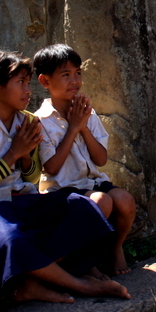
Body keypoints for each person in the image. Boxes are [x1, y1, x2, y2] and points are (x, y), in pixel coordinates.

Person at [0, 49, 131, 303]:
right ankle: (79, 284)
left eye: (27, 83)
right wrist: (13, 154)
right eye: (20, 83)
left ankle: (33, 283)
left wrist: (23, 157)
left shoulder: (27, 122)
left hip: (24, 199)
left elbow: (32, 178)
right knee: (13, 239)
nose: (28, 90)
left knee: (86, 209)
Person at [33, 44, 137, 276]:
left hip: (92, 182)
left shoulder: (86, 112)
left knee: (125, 200)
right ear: (45, 81)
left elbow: (100, 159)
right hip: (61, 189)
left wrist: (83, 128)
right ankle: (84, 261)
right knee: (101, 201)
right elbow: (51, 167)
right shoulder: (40, 121)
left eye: (78, 73)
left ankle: (115, 247)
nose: (75, 80)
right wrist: (72, 129)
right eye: (65, 75)